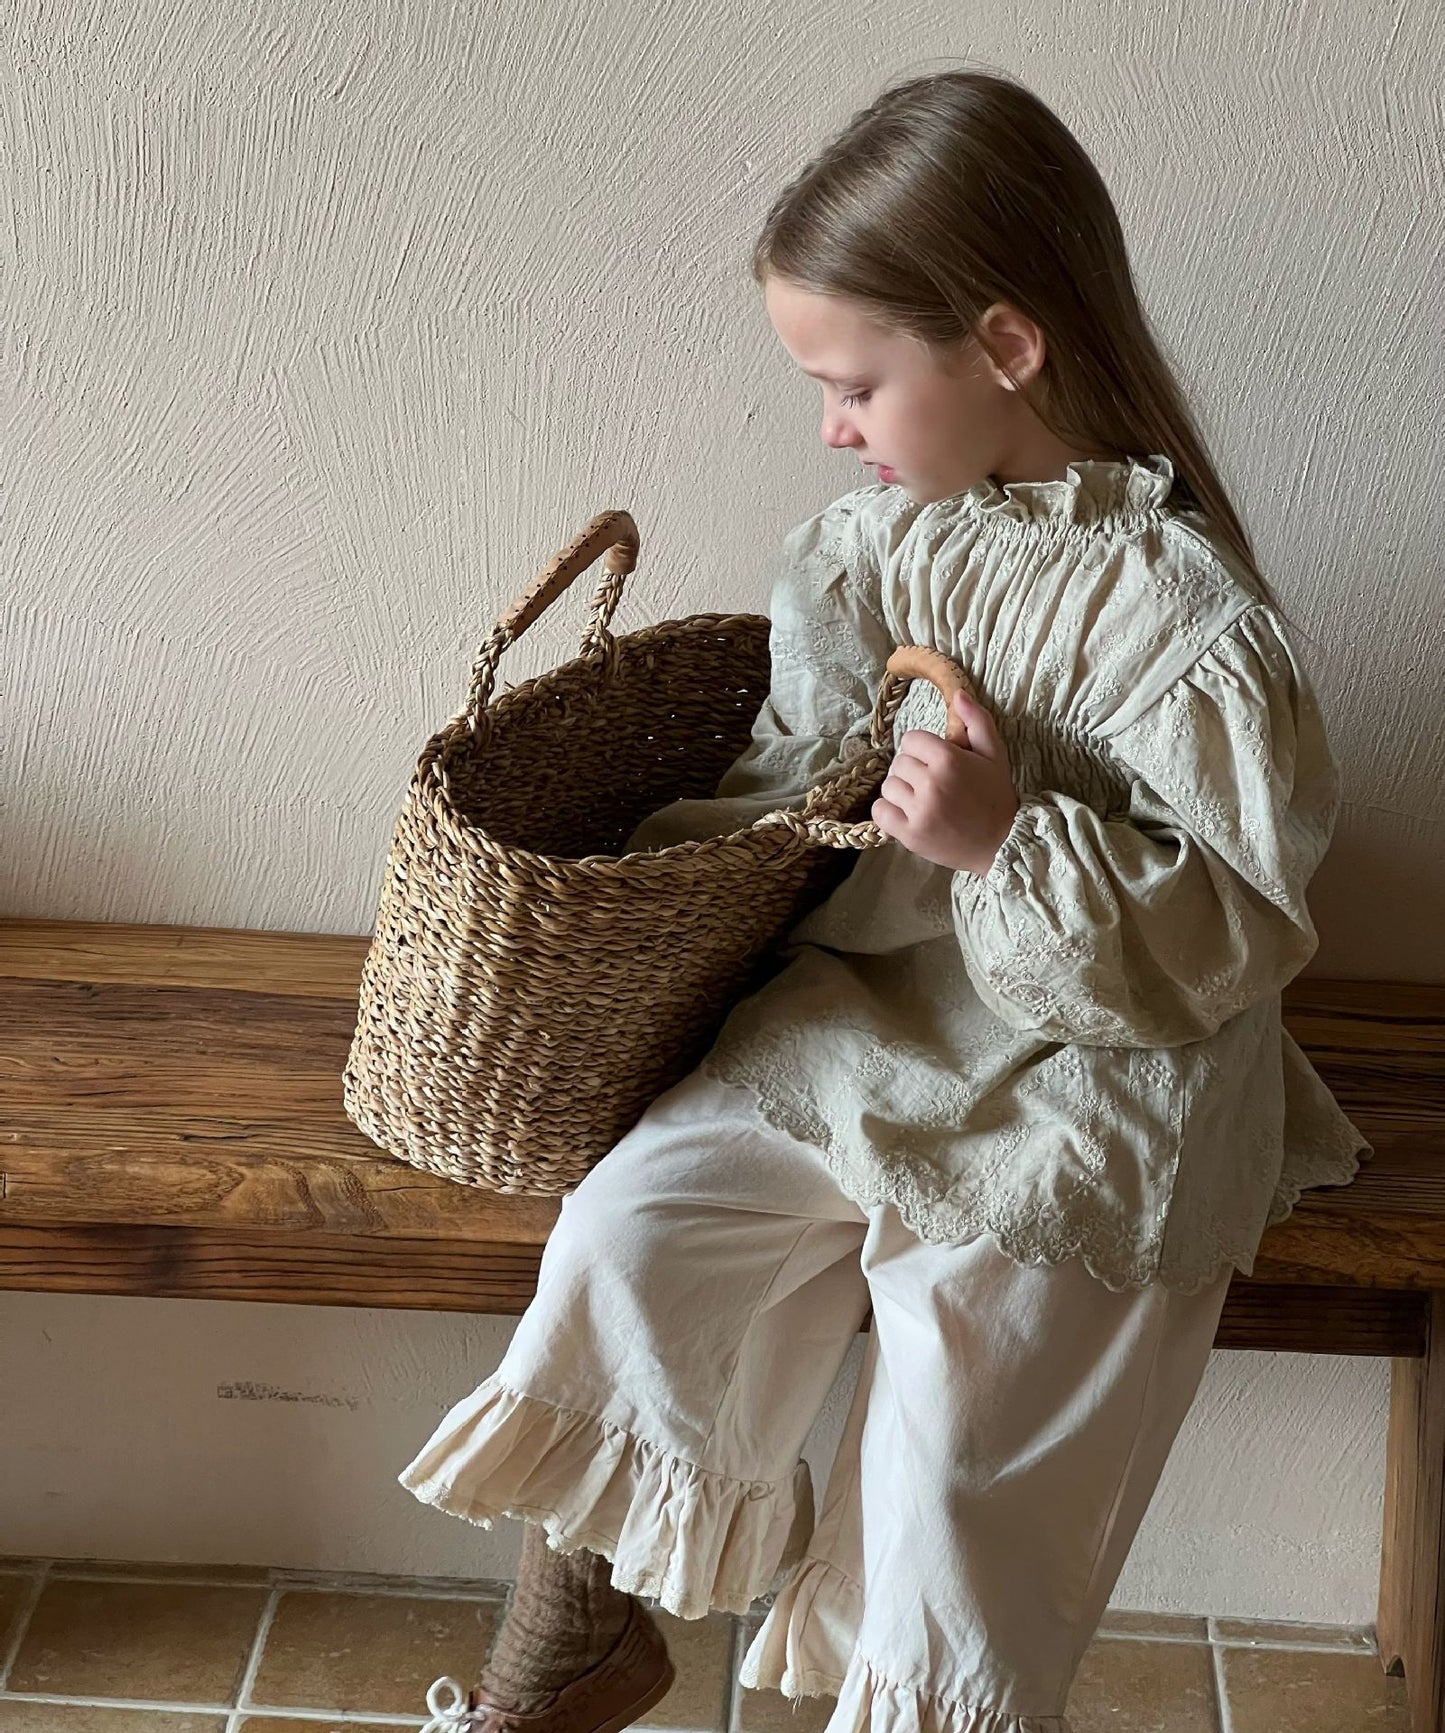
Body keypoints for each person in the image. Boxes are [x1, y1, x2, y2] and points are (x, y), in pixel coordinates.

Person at [405, 66, 1370, 1733]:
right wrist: (672, 868)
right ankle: (579, 1636)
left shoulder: (1192, 622)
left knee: (957, 1462)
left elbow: (1226, 922)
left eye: (850, 383)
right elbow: (796, 763)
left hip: (1102, 1076)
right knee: (635, 1226)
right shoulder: (874, 548)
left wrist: (1007, 839)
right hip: (877, 1014)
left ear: (1004, 348)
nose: (832, 427)